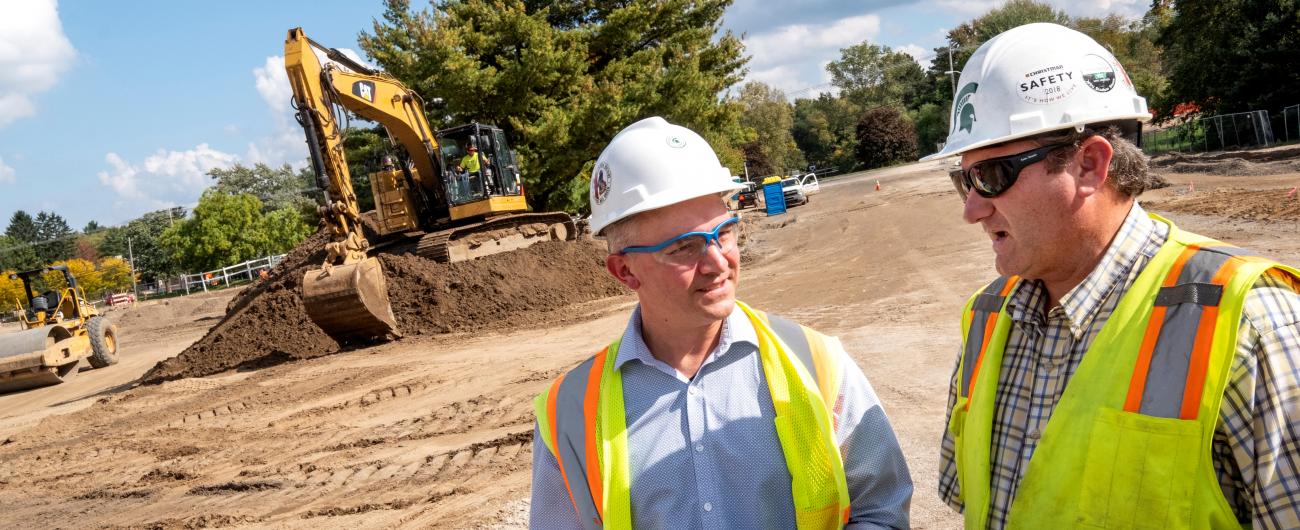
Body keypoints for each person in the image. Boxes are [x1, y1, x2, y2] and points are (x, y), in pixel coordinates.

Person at [929, 23, 1300, 529]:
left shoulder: (1246, 322)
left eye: (991, 176)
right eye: (963, 180)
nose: (972, 210)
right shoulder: (987, 318)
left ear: (1089, 163)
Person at [530, 117, 913, 529]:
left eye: (724, 233)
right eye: (684, 247)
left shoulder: (816, 364)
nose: (718, 263)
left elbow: (881, 508)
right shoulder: (568, 413)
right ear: (624, 271)